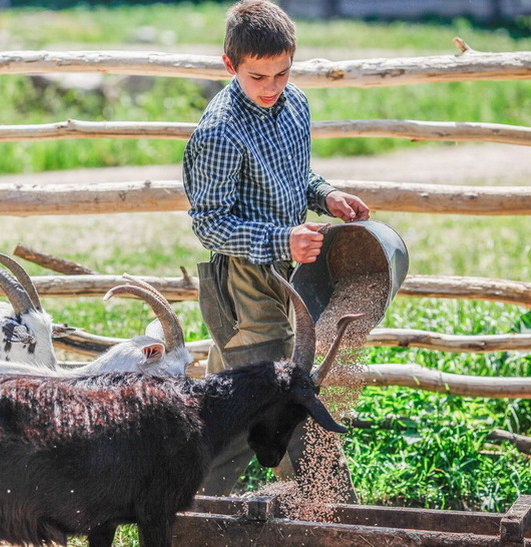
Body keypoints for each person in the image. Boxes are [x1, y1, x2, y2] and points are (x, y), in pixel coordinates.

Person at [182, 0, 370, 496]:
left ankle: (194, 506)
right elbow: (209, 224)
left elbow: (296, 176)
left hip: (293, 272)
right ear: (230, 66)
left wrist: (325, 194)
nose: (271, 87)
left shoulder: (296, 105)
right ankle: (327, 509)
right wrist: (278, 237)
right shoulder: (220, 132)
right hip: (244, 279)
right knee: (282, 396)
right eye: (258, 76)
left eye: (282, 73)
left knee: (230, 403)